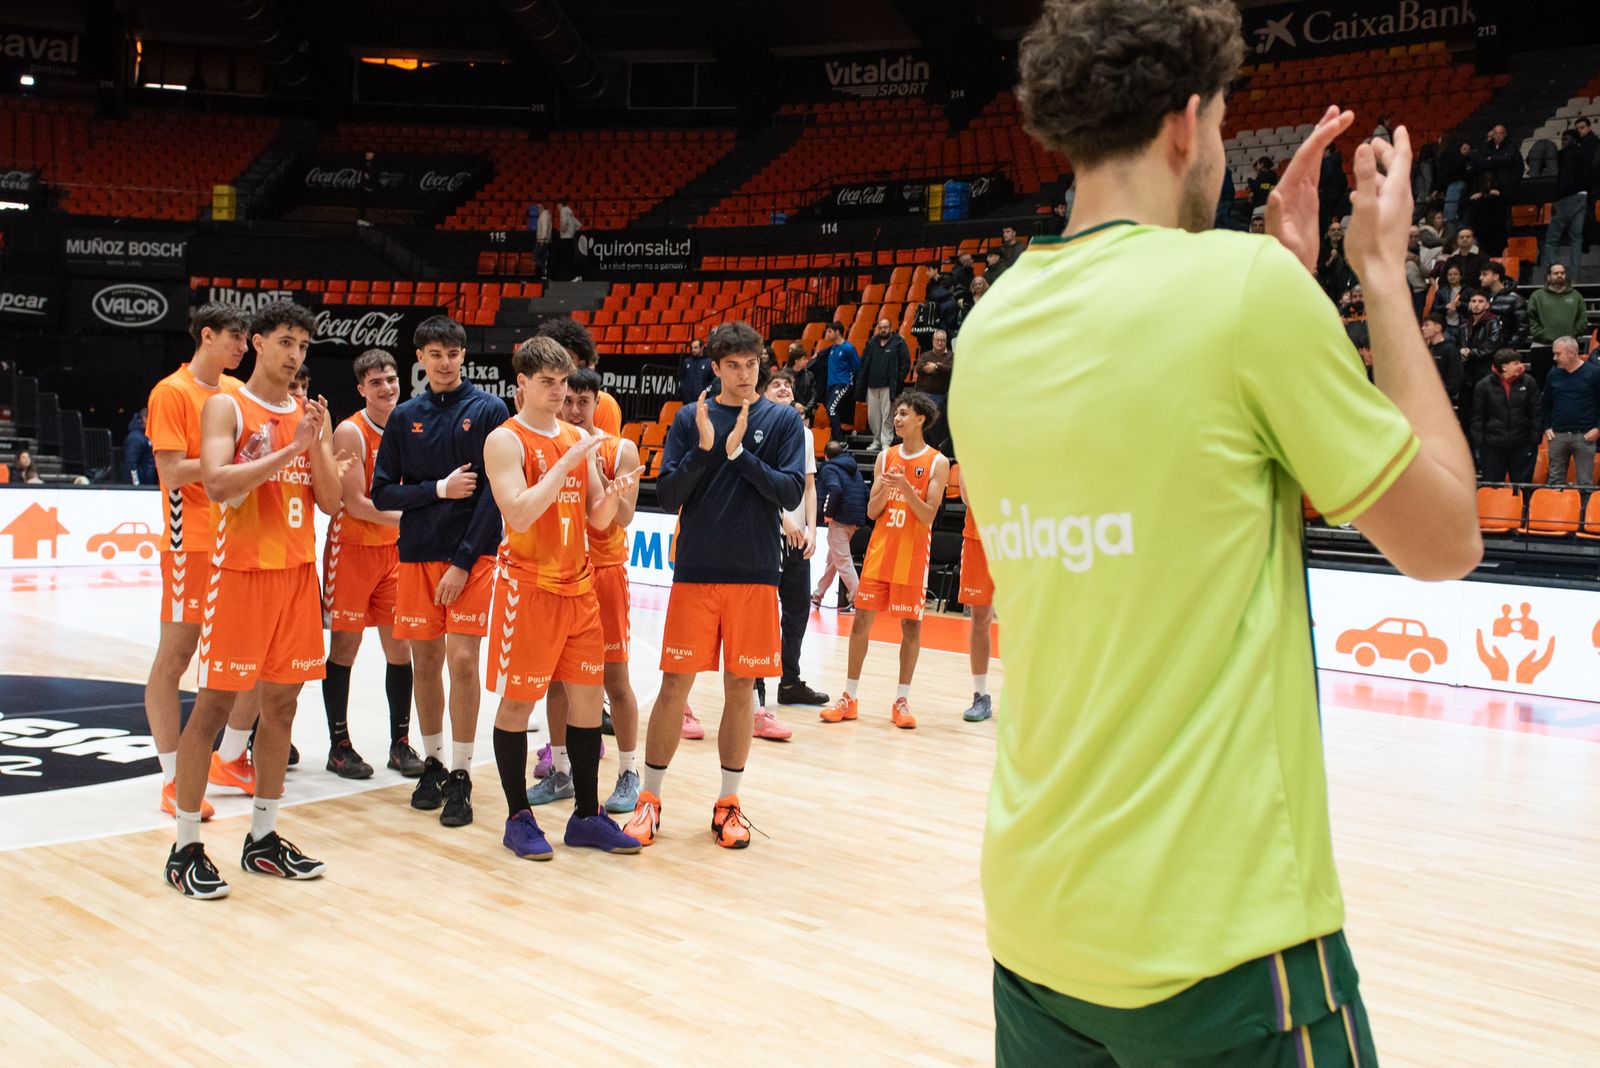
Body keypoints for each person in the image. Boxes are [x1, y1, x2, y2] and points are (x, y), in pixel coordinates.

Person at [954, 0, 1481, 1060]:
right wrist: (1378, 274)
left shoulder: (989, 327)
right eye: (1226, 123)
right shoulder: (1242, 293)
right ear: (1186, 122)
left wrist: (1277, 282)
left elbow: (1183, 480)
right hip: (1220, 943)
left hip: (1038, 931)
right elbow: (1445, 540)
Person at [164, 300, 347, 898]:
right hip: (240, 573)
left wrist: (315, 445)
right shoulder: (227, 405)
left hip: (296, 576)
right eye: (286, 342)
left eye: (304, 346)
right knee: (213, 707)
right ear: (259, 343)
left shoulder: (308, 413)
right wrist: (290, 450)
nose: (295, 355)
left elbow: (331, 502)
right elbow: (217, 483)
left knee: (283, 708)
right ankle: (184, 847)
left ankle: (263, 839)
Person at [621, 321, 806, 851]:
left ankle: (728, 804)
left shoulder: (782, 420)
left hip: (755, 573)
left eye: (751, 365)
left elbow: (790, 492)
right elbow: (668, 493)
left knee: (740, 689)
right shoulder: (689, 418)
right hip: (696, 572)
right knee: (674, 687)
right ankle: (649, 800)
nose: (745, 375)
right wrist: (705, 448)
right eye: (733, 366)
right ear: (715, 367)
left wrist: (738, 454)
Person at [482, 336, 643, 860]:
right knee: (518, 703)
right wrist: (565, 460)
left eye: (563, 382)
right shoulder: (505, 440)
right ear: (522, 383)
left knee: (586, 703)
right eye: (547, 383)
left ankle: (587, 816)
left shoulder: (576, 437)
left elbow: (596, 518)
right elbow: (519, 512)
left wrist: (613, 495)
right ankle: (518, 818)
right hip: (529, 590)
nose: (557, 392)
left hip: (580, 588)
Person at [371, 316, 510, 827]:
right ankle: (433, 763)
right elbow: (382, 492)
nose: (445, 362)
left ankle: (462, 772)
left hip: (471, 558)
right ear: (421, 359)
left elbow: (494, 492)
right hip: (416, 556)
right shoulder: (404, 416)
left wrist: (462, 562)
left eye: (452, 353)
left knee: (464, 663)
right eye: (435, 354)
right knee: (425, 663)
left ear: (463, 356)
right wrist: (437, 489)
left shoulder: (489, 409)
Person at [144, 304, 260, 821]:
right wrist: (225, 465)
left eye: (246, 339)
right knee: (176, 657)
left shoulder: (235, 391)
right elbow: (171, 471)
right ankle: (173, 778)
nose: (241, 346)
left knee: (253, 655)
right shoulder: (171, 392)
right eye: (234, 337)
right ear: (206, 336)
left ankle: (229, 757)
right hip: (188, 540)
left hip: (237, 537)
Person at [526, 367, 643, 812]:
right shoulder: (551, 447)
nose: (574, 409)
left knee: (615, 679)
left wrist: (603, 482)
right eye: (568, 401)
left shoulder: (619, 449)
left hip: (605, 573)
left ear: (598, 402)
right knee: (557, 679)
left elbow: (625, 517)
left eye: (583, 402)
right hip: (563, 572)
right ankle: (561, 772)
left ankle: (629, 772)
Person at [821, 390, 948, 730]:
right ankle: (849, 697)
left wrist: (905, 488)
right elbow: (872, 511)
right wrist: (885, 489)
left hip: (912, 555)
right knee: (860, 623)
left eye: (904, 413)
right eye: (896, 413)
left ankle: (901, 700)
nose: (897, 418)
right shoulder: (885, 457)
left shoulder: (937, 462)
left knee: (911, 627)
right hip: (880, 553)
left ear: (921, 418)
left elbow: (928, 516)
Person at [320, 349, 420, 780]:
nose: (386, 388)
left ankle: (400, 743)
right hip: (352, 550)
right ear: (362, 389)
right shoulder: (351, 431)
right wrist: (416, 517)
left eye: (391, 379)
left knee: (400, 648)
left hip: (393, 553)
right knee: (346, 648)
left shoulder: (408, 426)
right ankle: (338, 746)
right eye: (376, 382)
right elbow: (357, 504)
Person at [751, 367, 828, 732]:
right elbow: (758, 482)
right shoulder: (758, 426)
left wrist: (813, 529)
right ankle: (756, 687)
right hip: (767, 532)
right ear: (763, 393)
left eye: (788, 385)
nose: (783, 388)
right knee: (762, 613)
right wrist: (784, 519)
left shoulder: (805, 433)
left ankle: (790, 680)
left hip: (799, 537)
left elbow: (809, 486)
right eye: (776, 384)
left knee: (797, 610)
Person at [538, 316, 621, 437]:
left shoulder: (604, 403)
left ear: (581, 363)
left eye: (567, 358)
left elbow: (609, 447)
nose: (558, 365)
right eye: (554, 358)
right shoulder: (541, 401)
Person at [957, 477, 995, 724]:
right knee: (980, 616)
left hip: (1019, 536)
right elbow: (967, 495)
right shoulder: (973, 453)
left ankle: (1027, 696)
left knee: (1026, 617)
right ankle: (981, 695)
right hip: (978, 537)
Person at [1471, 349, 1541, 483]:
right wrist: (1480, 443)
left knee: (1522, 487)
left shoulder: (1529, 382)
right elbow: (1477, 416)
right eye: (1515, 363)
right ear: (1504, 367)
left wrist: (1534, 439)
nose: (1520, 366)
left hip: (1522, 444)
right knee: (1492, 488)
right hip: (1492, 446)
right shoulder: (1483, 386)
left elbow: (1536, 412)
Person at [813, 439, 866, 610]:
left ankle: (859, 600)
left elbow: (834, 489)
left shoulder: (829, 468)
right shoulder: (853, 467)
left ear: (826, 456)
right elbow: (865, 491)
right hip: (855, 520)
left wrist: (828, 513)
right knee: (833, 560)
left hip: (840, 519)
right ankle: (818, 595)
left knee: (842, 561)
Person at [1542, 336, 1600, 487]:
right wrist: (1547, 426)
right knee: (1555, 481)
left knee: (1585, 482)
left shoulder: (1594, 373)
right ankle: (1556, 503)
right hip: (1558, 434)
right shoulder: (1553, 374)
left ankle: (1585, 504)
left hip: (1585, 435)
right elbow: (1546, 403)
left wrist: (1598, 429)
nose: (1554, 358)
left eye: (1558, 354)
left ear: (1572, 353)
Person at [1528, 263, 1588, 384]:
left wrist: (1571, 335)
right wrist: (1545, 336)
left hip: (1568, 348)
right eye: (1556, 273)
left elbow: (1582, 320)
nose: (1560, 275)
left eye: (1562, 273)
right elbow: (1531, 320)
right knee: (1542, 385)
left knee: (1570, 384)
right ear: (1548, 277)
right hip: (1542, 346)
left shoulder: (1576, 296)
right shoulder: (1537, 296)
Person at [1468, 124, 1521, 257]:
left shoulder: (1511, 147)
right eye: (1495, 133)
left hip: (1505, 192)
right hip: (1487, 197)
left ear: (1505, 134)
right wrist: (1497, 160)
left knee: (1505, 221)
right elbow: (1479, 162)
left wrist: (1492, 159)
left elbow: (1508, 160)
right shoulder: (1486, 147)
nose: (1497, 136)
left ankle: (1506, 249)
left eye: (1500, 133)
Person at [859, 317, 910, 451]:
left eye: (885, 327)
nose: (883, 330)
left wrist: (898, 380)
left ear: (891, 328)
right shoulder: (872, 343)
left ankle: (886, 441)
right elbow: (864, 363)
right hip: (872, 385)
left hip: (888, 386)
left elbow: (905, 363)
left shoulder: (898, 342)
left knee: (887, 415)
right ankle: (876, 440)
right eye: (880, 327)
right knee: (873, 416)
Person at [1543, 129, 1588, 276]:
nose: (1563, 142)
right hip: (1582, 196)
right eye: (1562, 139)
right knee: (1576, 238)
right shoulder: (1584, 153)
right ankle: (1575, 275)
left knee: (1552, 238)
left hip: (1567, 198)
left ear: (1574, 140)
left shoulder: (1568, 155)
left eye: (1566, 139)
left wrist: (1557, 199)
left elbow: (1566, 179)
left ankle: (1553, 272)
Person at [1459, 290, 1504, 415]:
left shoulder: (1493, 323)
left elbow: (1491, 347)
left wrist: (1470, 354)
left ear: (1487, 305)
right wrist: (1461, 352)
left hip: (1485, 372)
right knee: (1466, 411)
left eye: (1480, 301)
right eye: (1473, 301)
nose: (1476, 304)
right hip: (1467, 374)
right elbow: (1459, 344)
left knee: (1483, 411)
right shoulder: (1464, 325)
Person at [818, 321, 860, 433]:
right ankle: (840, 434)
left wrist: (850, 381)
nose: (827, 334)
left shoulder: (848, 348)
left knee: (831, 408)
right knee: (834, 410)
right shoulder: (832, 349)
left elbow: (857, 367)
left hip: (843, 383)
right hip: (831, 384)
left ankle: (839, 438)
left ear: (837, 332)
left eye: (830, 331)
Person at [915, 329, 954, 448]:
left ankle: (932, 447)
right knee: (919, 422)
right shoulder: (925, 355)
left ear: (946, 341)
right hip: (922, 394)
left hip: (940, 396)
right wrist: (940, 369)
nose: (940, 343)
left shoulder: (951, 356)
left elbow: (950, 370)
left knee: (934, 426)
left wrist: (936, 367)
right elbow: (919, 368)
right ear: (933, 340)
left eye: (942, 340)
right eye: (937, 340)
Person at [1421, 315, 1464, 411]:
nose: (1423, 328)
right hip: (1427, 397)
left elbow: (1455, 379)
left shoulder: (1450, 349)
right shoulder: (1428, 349)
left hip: (1443, 400)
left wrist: (1440, 393)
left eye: (1427, 325)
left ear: (1438, 328)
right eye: (1423, 325)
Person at [1480, 263, 1527, 349]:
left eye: (1484, 274)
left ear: (1496, 276)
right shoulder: (1480, 296)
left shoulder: (1514, 298)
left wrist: (1508, 348)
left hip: (1503, 350)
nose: (1480, 278)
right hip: (1482, 349)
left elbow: (1522, 328)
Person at [124, 409, 156, 485]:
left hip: (149, 481)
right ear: (145, 418)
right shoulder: (136, 437)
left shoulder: (147, 435)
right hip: (142, 484)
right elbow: (131, 463)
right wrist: (136, 484)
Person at [678, 337, 712, 406]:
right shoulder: (687, 361)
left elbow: (713, 380)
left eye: (696, 348)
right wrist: (683, 388)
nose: (693, 350)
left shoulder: (709, 362)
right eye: (692, 348)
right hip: (686, 400)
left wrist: (706, 391)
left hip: (702, 400)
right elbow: (681, 377)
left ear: (702, 348)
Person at [555, 199, 583, 281]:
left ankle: (571, 277)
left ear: (561, 204)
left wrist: (562, 231)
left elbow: (564, 223)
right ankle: (576, 276)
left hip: (565, 239)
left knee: (565, 259)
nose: (557, 207)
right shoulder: (570, 212)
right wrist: (572, 232)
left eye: (557, 205)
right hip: (570, 238)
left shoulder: (563, 211)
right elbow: (578, 225)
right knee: (570, 258)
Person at [787, 341, 818, 411]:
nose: (807, 361)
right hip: (788, 411)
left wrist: (806, 409)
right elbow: (781, 396)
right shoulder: (784, 375)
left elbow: (814, 395)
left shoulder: (810, 375)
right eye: (804, 359)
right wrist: (794, 405)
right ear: (797, 361)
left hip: (806, 412)